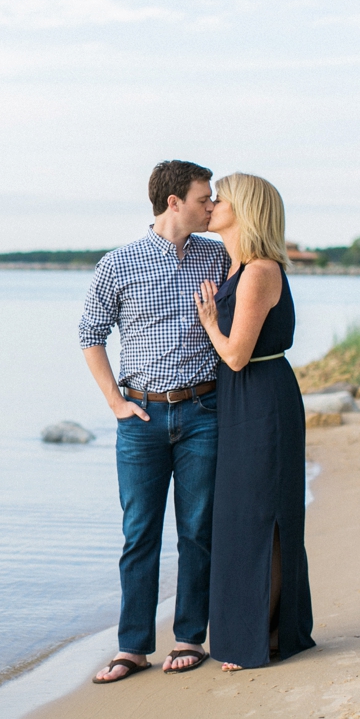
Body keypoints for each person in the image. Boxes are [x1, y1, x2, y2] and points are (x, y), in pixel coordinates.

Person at [79, 160, 230, 683]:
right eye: (203, 197)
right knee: (139, 532)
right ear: (174, 202)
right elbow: (90, 334)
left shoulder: (220, 254)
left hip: (204, 412)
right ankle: (133, 646)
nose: (211, 205)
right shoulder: (119, 263)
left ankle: (190, 637)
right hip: (140, 417)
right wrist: (116, 403)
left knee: (197, 530)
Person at [192, 173, 316, 671]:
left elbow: (238, 355)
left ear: (244, 209)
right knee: (242, 517)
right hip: (242, 400)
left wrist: (208, 324)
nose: (213, 204)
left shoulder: (260, 270)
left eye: (221, 198)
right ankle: (259, 632)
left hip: (261, 395)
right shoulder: (236, 265)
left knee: (267, 518)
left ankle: (264, 637)